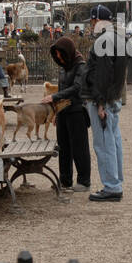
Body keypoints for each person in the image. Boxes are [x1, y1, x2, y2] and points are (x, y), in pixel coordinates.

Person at [82, 5, 127, 201]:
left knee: (104, 143)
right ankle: (115, 180)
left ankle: (112, 185)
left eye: (92, 21)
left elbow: (101, 74)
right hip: (113, 96)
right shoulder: (118, 38)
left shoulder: (104, 40)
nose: (91, 25)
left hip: (102, 99)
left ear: (96, 20)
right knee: (114, 140)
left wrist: (100, 102)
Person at [45, 36, 91, 192]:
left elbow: (77, 88)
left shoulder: (80, 65)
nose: (58, 57)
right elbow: (61, 88)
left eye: (60, 54)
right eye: (56, 54)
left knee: (80, 148)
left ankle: (84, 181)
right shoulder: (63, 66)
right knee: (64, 147)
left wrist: (53, 97)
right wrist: (56, 113)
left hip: (77, 111)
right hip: (63, 111)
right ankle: (65, 180)